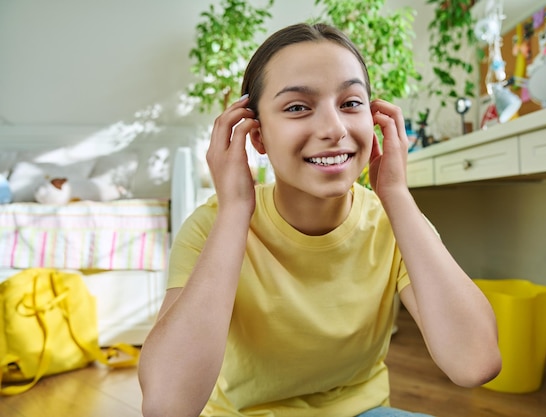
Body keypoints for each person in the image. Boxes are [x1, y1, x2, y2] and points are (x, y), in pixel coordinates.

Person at [138, 22, 501, 417]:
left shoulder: (391, 223)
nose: (335, 129)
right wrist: (235, 212)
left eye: (350, 103)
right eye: (297, 107)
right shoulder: (210, 227)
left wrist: (395, 195)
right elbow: (167, 406)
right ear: (255, 136)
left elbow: (475, 362)